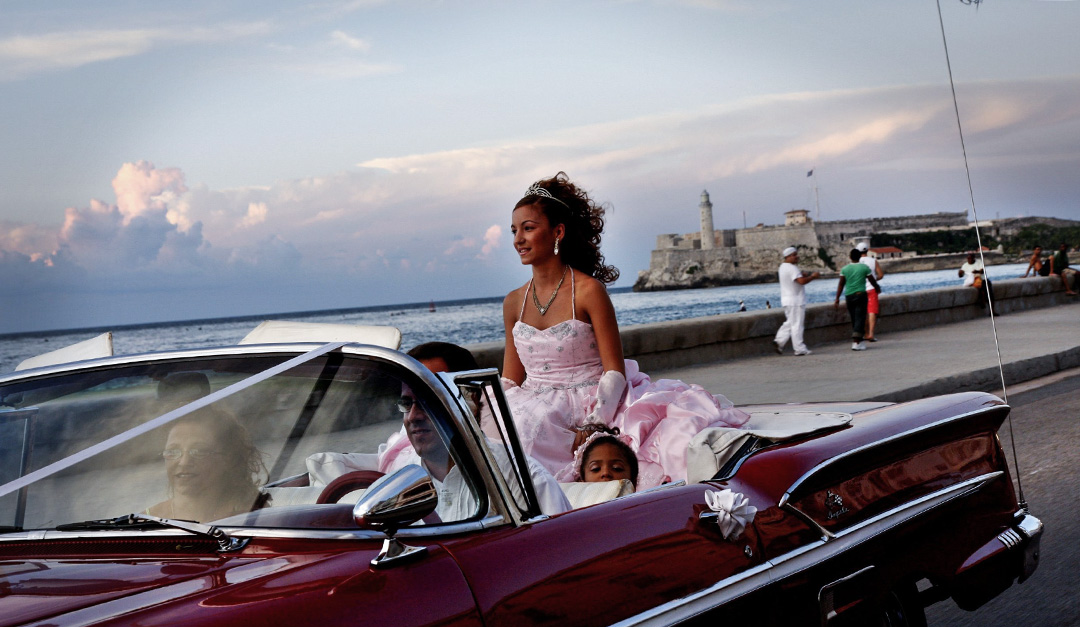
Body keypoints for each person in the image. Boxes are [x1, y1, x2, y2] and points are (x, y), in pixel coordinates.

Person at [501, 172, 748, 489]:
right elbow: (510, 379)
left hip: (590, 401)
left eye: (528, 228)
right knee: (508, 434)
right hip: (530, 404)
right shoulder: (513, 303)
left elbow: (613, 370)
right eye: (514, 231)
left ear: (558, 232)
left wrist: (596, 422)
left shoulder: (589, 291)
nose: (518, 239)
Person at [307, 343, 571, 519]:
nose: (413, 417)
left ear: (471, 402)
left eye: (428, 403)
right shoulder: (395, 482)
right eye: (407, 403)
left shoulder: (525, 481)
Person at [149, 406, 268, 523]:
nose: (184, 462)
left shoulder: (255, 517)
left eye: (199, 451)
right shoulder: (146, 522)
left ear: (229, 458)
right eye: (172, 451)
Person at [773, 246, 819, 356]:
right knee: (797, 324)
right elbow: (801, 281)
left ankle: (779, 341)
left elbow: (795, 279)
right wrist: (813, 276)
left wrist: (802, 275)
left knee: (790, 322)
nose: (796, 257)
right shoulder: (792, 268)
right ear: (787, 257)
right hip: (795, 300)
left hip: (787, 299)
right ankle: (799, 348)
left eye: (796, 254)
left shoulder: (782, 267)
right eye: (794, 255)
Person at [834, 248, 882, 351]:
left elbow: (841, 284)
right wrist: (877, 288)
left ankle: (859, 340)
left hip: (849, 296)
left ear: (850, 257)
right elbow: (872, 280)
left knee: (854, 318)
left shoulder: (845, 269)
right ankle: (856, 342)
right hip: (860, 295)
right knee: (860, 317)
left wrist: (837, 298)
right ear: (860, 257)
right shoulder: (864, 268)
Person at [857, 241, 884, 341]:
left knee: (863, 312)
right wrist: (873, 280)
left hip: (860, 290)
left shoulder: (856, 262)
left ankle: (864, 334)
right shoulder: (873, 261)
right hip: (871, 289)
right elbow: (881, 275)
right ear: (867, 250)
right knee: (872, 311)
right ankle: (871, 334)